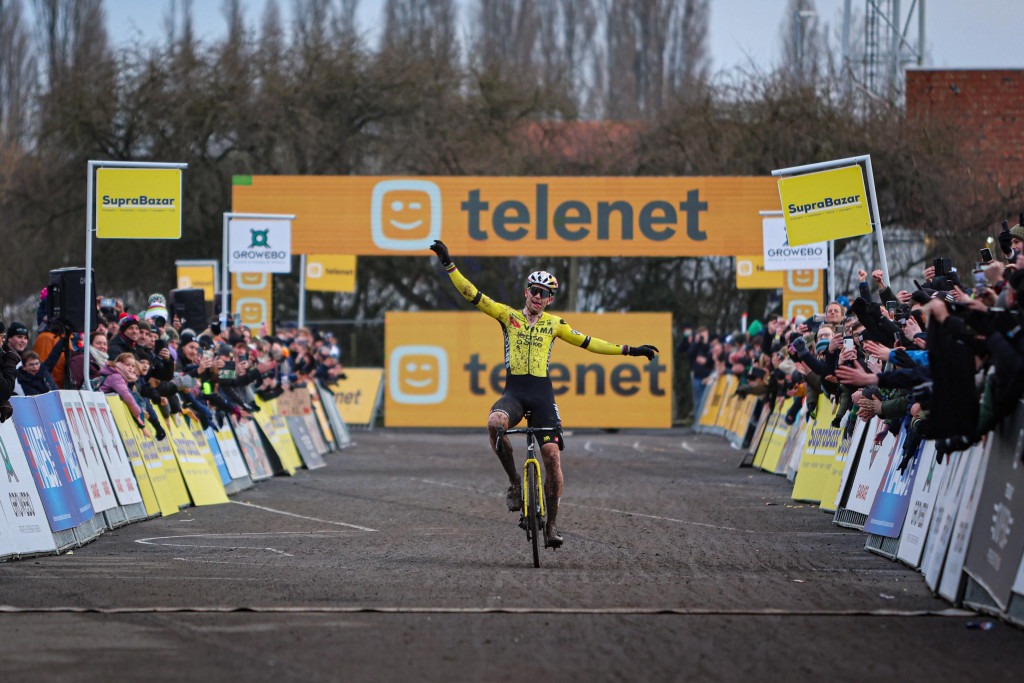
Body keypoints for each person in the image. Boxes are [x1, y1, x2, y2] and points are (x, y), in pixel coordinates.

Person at [428, 239, 659, 548]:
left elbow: (591, 343)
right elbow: (473, 295)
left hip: (541, 397)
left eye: (544, 293)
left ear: (550, 299)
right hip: (514, 393)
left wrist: (630, 351)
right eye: (534, 291)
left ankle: (550, 527)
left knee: (552, 458)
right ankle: (514, 483)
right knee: (495, 424)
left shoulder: (555, 324)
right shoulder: (508, 316)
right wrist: (448, 263)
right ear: (526, 292)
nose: (538, 296)